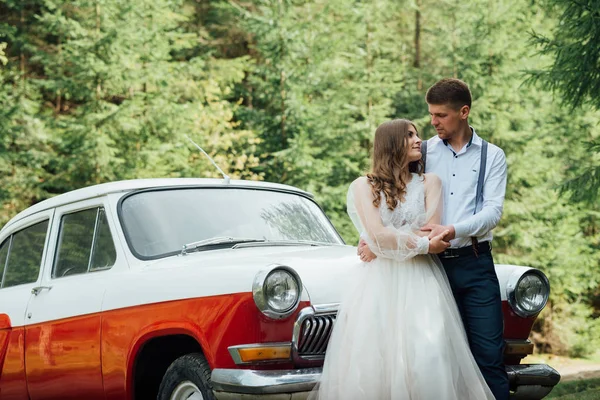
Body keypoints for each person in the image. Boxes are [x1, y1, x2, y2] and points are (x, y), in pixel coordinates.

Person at [312, 119, 494, 400]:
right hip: (377, 284)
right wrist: (402, 242)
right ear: (390, 143)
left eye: (417, 134)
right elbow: (379, 233)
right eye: (409, 135)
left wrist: (386, 242)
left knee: (427, 356)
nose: (418, 139)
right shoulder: (363, 185)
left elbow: (429, 231)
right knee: (375, 361)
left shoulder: (430, 182)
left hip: (421, 279)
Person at [359, 78, 509, 400]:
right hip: (426, 267)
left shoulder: (492, 156)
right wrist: (372, 239)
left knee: (488, 356)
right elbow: (388, 194)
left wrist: (453, 230)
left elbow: (493, 211)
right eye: (430, 114)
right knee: (434, 360)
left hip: (475, 263)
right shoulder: (420, 151)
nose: (433, 122)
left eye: (440, 115)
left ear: (464, 112)